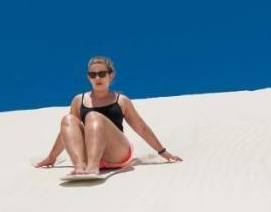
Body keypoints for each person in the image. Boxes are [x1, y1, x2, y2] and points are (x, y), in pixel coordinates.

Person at [34, 56, 183, 173]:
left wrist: (162, 152)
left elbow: (141, 128)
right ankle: (80, 167)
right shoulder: (78, 100)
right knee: (68, 119)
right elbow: (67, 132)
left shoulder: (121, 100)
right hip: (89, 153)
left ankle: (92, 168)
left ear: (110, 75)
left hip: (116, 153)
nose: (97, 78)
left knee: (93, 116)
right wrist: (52, 157)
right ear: (88, 77)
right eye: (92, 75)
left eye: (102, 74)